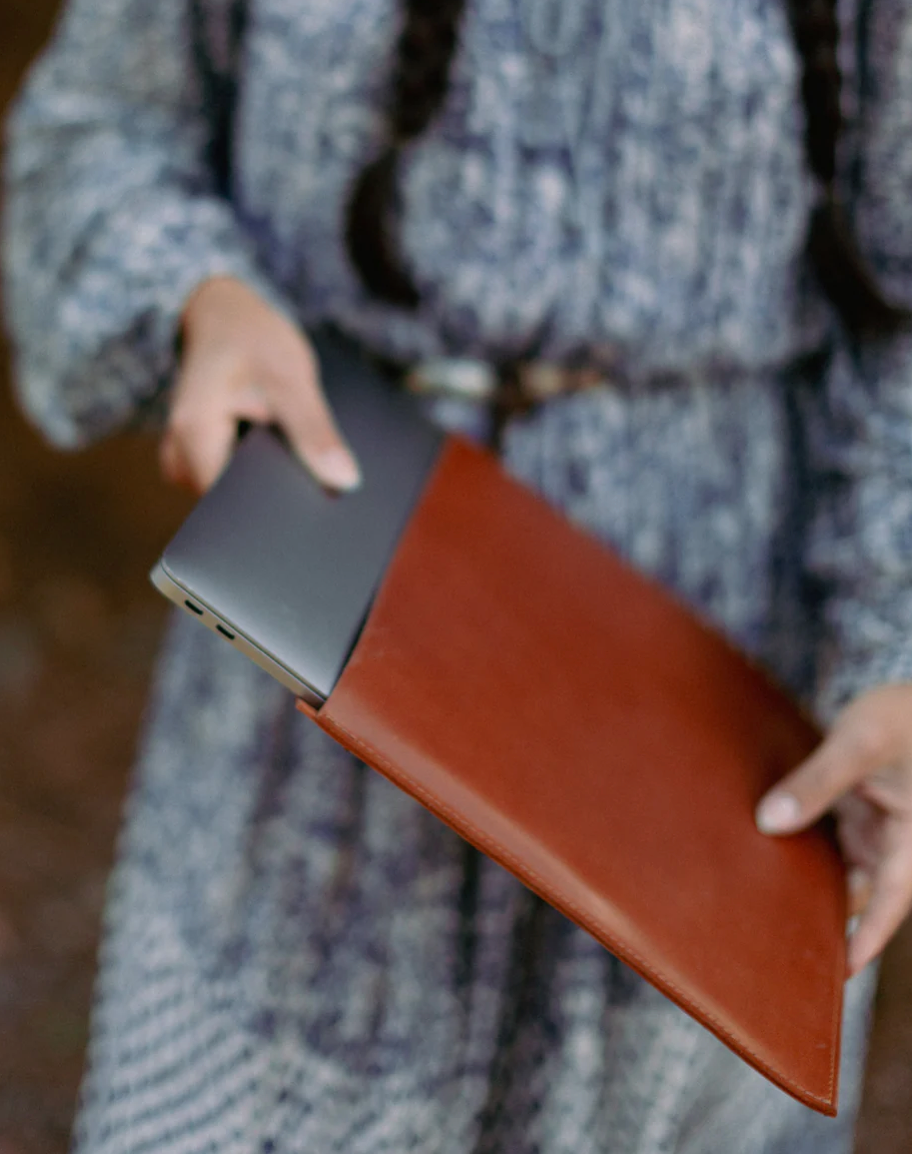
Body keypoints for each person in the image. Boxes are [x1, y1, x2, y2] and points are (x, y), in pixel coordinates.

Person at [4, 0, 912, 1149]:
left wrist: (898, 653)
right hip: (314, 634)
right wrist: (198, 296)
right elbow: (98, 128)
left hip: (718, 721)